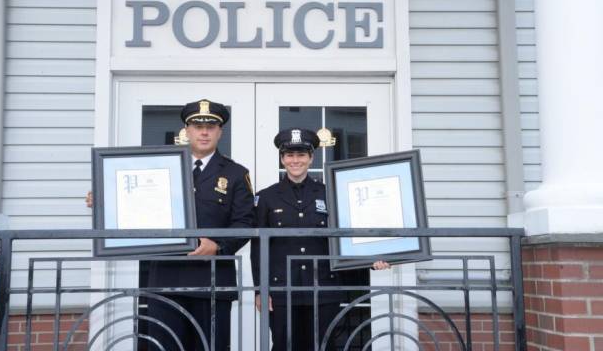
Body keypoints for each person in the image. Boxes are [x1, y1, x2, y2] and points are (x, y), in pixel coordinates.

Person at [87, 99, 255, 351]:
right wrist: (105, 199)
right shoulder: (158, 169)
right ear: (186, 131)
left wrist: (218, 246)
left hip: (211, 281)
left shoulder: (235, 173)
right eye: (197, 126)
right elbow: (134, 204)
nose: (204, 132)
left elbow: (245, 223)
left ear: (220, 131)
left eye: (211, 126)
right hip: (165, 279)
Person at [250, 128, 389, 351]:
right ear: (282, 158)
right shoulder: (266, 197)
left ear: (311, 157)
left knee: (325, 346)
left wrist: (372, 258)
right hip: (282, 290)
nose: (295, 160)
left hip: (324, 287)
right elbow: (258, 249)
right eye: (290, 155)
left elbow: (347, 237)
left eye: (301, 155)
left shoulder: (330, 193)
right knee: (284, 346)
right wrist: (260, 289)